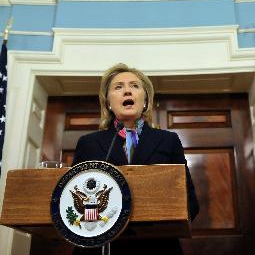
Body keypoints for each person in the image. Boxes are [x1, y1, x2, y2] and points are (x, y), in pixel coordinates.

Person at [71, 63, 199, 254]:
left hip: (158, 246)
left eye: (134, 86)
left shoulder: (168, 140)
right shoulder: (88, 143)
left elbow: (190, 201)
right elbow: (73, 198)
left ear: (145, 101)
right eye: (118, 87)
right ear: (108, 102)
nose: (127, 91)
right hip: (101, 246)